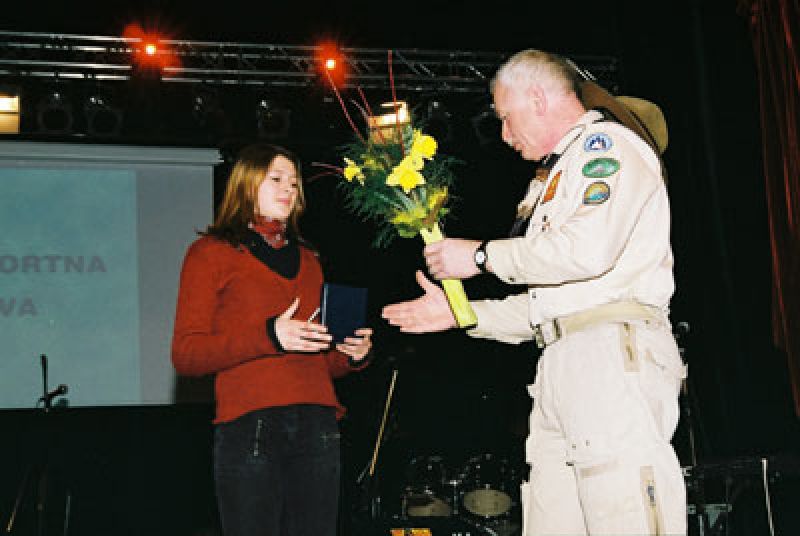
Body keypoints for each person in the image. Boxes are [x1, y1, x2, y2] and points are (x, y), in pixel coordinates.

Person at [382, 49, 687, 535]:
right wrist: (463, 315)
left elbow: (587, 250)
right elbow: (548, 306)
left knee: (624, 514)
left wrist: (480, 256)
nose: (504, 135)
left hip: (610, 355)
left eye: (506, 117)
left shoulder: (608, 148)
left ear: (538, 99)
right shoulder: (556, 175)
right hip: (562, 359)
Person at [171, 143, 373, 536]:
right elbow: (186, 354)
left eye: (294, 183)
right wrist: (269, 335)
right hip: (251, 425)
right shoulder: (210, 253)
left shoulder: (310, 260)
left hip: (318, 424)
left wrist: (351, 355)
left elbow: (317, 361)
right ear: (246, 184)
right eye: (276, 179)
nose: (289, 189)